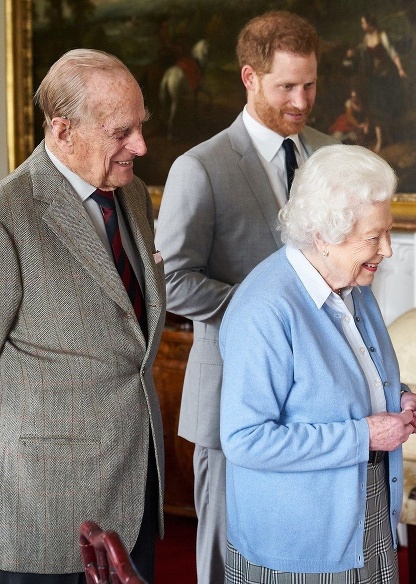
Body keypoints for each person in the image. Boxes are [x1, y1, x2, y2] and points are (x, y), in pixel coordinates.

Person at [154, 10, 336, 583]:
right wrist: (271, 315)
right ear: (249, 78)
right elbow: (173, 281)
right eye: (287, 86)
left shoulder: (330, 155)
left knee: (299, 558)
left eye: (310, 85)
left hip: (316, 404)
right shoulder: (199, 168)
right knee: (222, 559)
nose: (302, 101)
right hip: (231, 396)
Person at [219, 144, 416, 582]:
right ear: (323, 235)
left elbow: (343, 384)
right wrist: (365, 435)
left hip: (366, 514)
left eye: (387, 233)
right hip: (299, 544)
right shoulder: (265, 309)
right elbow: (245, 439)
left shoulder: (353, 284)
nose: (388, 250)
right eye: (374, 237)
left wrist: (400, 399)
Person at [0, 49, 166, 583]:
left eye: (140, 127)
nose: (139, 146)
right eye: (122, 132)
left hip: (136, 483)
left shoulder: (133, 194)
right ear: (62, 129)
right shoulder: (9, 214)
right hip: (44, 505)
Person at [356, 13, 406, 153]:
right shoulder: (365, 39)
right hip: (375, 79)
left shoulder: (382, 35)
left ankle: (393, 138)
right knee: (376, 108)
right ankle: (380, 141)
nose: (362, 26)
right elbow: (363, 59)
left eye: (363, 23)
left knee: (388, 107)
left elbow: (392, 53)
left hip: (388, 77)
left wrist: (400, 69)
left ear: (370, 24)